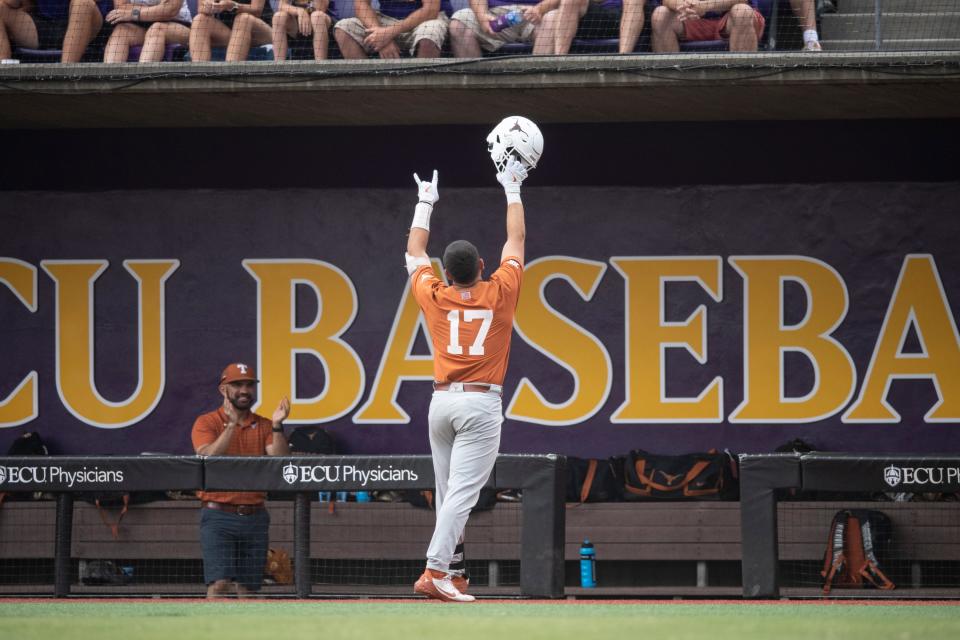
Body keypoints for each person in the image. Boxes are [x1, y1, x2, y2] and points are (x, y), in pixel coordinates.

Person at [405, 116, 542, 603]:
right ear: (482, 268)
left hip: (441, 402)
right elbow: (517, 242)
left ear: (448, 271)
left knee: (448, 494)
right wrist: (512, 186)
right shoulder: (500, 291)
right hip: (480, 404)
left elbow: (414, 250)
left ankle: (454, 571)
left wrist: (425, 202)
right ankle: (436, 570)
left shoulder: (435, 292)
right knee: (462, 494)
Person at [191, 362, 291, 599]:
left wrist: (277, 426)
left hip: (255, 515)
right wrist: (232, 424)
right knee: (220, 585)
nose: (244, 390)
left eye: (249, 385)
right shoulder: (207, 421)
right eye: (237, 385)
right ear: (223, 389)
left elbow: (281, 460)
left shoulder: (264, 424)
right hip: (218, 515)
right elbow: (209, 457)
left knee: (249, 589)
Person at [333, 0, 449, 60]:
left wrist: (388, 33)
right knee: (344, 27)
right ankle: (369, 94)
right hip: (385, 20)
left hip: (423, 20)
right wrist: (378, 33)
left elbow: (431, 10)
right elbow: (361, 5)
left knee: (431, 32)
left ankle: (422, 95)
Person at [449, 0, 558, 57]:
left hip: (537, 14)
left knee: (553, 20)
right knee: (458, 25)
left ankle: (538, 85)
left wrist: (540, 9)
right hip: (495, 14)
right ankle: (476, 92)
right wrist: (482, 16)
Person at [651, 0, 765, 52]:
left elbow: (741, 0)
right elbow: (667, 1)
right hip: (692, 19)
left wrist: (705, 6)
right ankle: (671, 80)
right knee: (660, 14)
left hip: (730, 20)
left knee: (742, 11)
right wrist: (684, 5)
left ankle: (742, 78)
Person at [536, 0, 645, 55]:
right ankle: (557, 60)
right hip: (601, 16)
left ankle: (623, 58)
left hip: (636, 15)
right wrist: (538, 9)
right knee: (562, 7)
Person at [102, 0, 192, 63]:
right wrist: (156, 9)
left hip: (179, 26)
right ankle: (107, 86)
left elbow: (169, 10)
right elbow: (121, 6)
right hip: (143, 25)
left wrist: (134, 13)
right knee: (121, 32)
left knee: (156, 30)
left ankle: (142, 83)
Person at [189, 0, 273, 62]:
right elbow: (201, 8)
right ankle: (201, 76)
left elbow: (257, 10)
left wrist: (233, 6)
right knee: (199, 20)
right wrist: (209, 6)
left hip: (261, 32)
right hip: (235, 35)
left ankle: (230, 76)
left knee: (243, 19)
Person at [271, 0, 335, 61]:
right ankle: (279, 67)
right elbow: (281, 6)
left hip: (322, 23)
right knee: (278, 17)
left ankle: (321, 67)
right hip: (298, 22)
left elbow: (321, 8)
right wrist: (300, 11)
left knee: (316, 17)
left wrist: (306, 12)